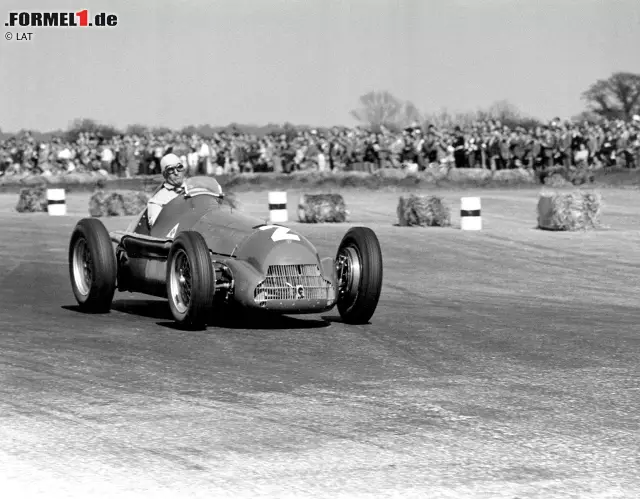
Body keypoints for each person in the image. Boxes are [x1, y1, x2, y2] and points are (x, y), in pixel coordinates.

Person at [147, 153, 186, 228]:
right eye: (170, 169)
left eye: (179, 167)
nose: (176, 172)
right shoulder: (157, 201)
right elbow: (158, 228)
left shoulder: (195, 187)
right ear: (164, 174)